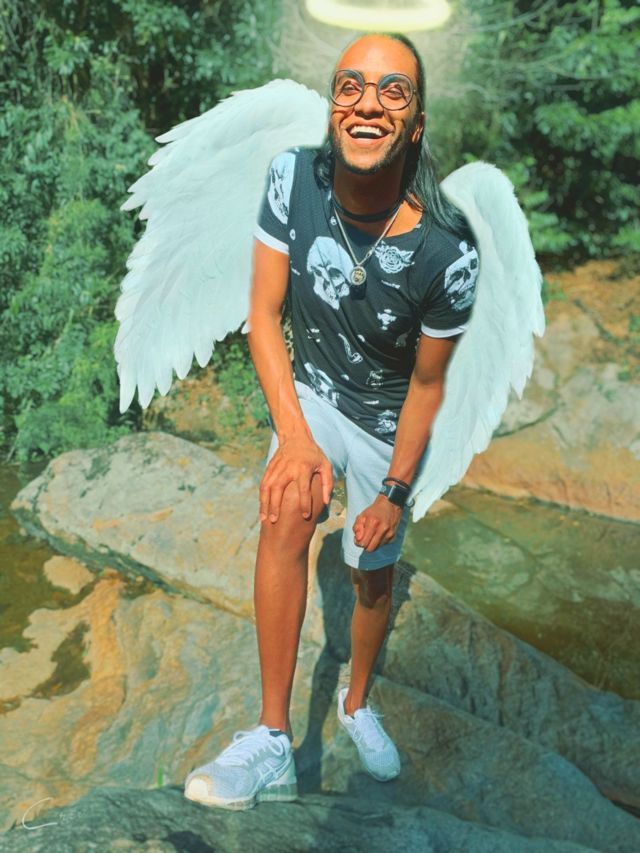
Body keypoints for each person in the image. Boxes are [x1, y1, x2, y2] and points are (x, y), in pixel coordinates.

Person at [184, 31, 479, 810]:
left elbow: (427, 384)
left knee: (371, 570)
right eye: (351, 85)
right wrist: (295, 437)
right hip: (314, 390)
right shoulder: (293, 178)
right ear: (332, 105)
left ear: (416, 123)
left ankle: (356, 701)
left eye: (392, 91)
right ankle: (272, 739)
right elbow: (263, 313)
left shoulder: (448, 251)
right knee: (286, 503)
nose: (368, 104)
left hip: (388, 416)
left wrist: (394, 491)